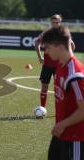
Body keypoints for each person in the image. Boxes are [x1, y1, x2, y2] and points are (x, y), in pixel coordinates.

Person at [41, 26, 84, 159]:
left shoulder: (75, 74)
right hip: (60, 135)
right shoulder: (60, 66)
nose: (46, 52)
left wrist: (62, 124)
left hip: (75, 138)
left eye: (47, 47)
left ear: (58, 46)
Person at [35, 14, 75, 110]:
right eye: (54, 22)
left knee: (60, 88)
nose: (55, 24)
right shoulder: (46, 33)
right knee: (44, 86)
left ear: (60, 23)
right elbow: (37, 43)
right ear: (51, 23)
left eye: (57, 22)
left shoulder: (63, 34)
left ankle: (63, 109)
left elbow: (72, 45)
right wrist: (40, 57)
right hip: (47, 65)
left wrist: (67, 58)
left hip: (59, 66)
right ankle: (42, 108)